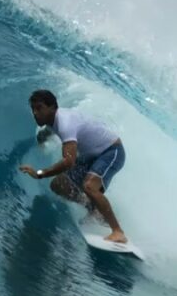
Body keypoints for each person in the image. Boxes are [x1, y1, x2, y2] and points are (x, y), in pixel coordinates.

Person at [18, 89, 128, 243]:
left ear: (52, 107)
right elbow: (50, 131)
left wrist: (39, 173)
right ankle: (94, 209)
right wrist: (42, 138)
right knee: (58, 185)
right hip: (91, 156)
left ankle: (118, 232)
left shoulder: (64, 123)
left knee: (89, 186)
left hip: (111, 151)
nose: (35, 113)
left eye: (39, 108)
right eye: (33, 109)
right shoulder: (53, 120)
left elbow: (68, 162)